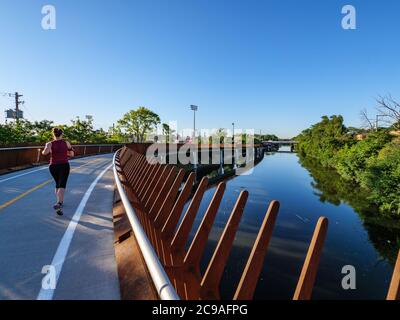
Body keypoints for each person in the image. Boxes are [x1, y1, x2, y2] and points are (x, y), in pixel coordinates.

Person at [42, 128, 74, 215]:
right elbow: (72, 154)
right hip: (64, 165)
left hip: (53, 166)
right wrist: (65, 153)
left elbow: (45, 153)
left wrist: (44, 148)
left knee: (57, 183)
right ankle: (59, 203)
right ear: (61, 134)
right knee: (62, 185)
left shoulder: (49, 143)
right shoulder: (66, 143)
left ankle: (59, 200)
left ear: (53, 134)